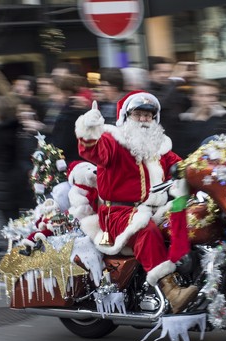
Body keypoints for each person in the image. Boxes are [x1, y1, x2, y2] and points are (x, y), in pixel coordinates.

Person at [75, 91, 198, 313]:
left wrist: (211, 166)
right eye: (138, 114)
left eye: (148, 115)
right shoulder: (113, 141)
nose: (143, 120)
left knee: (196, 219)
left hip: (155, 209)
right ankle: (171, 290)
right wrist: (90, 129)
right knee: (146, 230)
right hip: (119, 213)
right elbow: (93, 152)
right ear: (126, 116)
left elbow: (184, 167)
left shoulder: (159, 147)